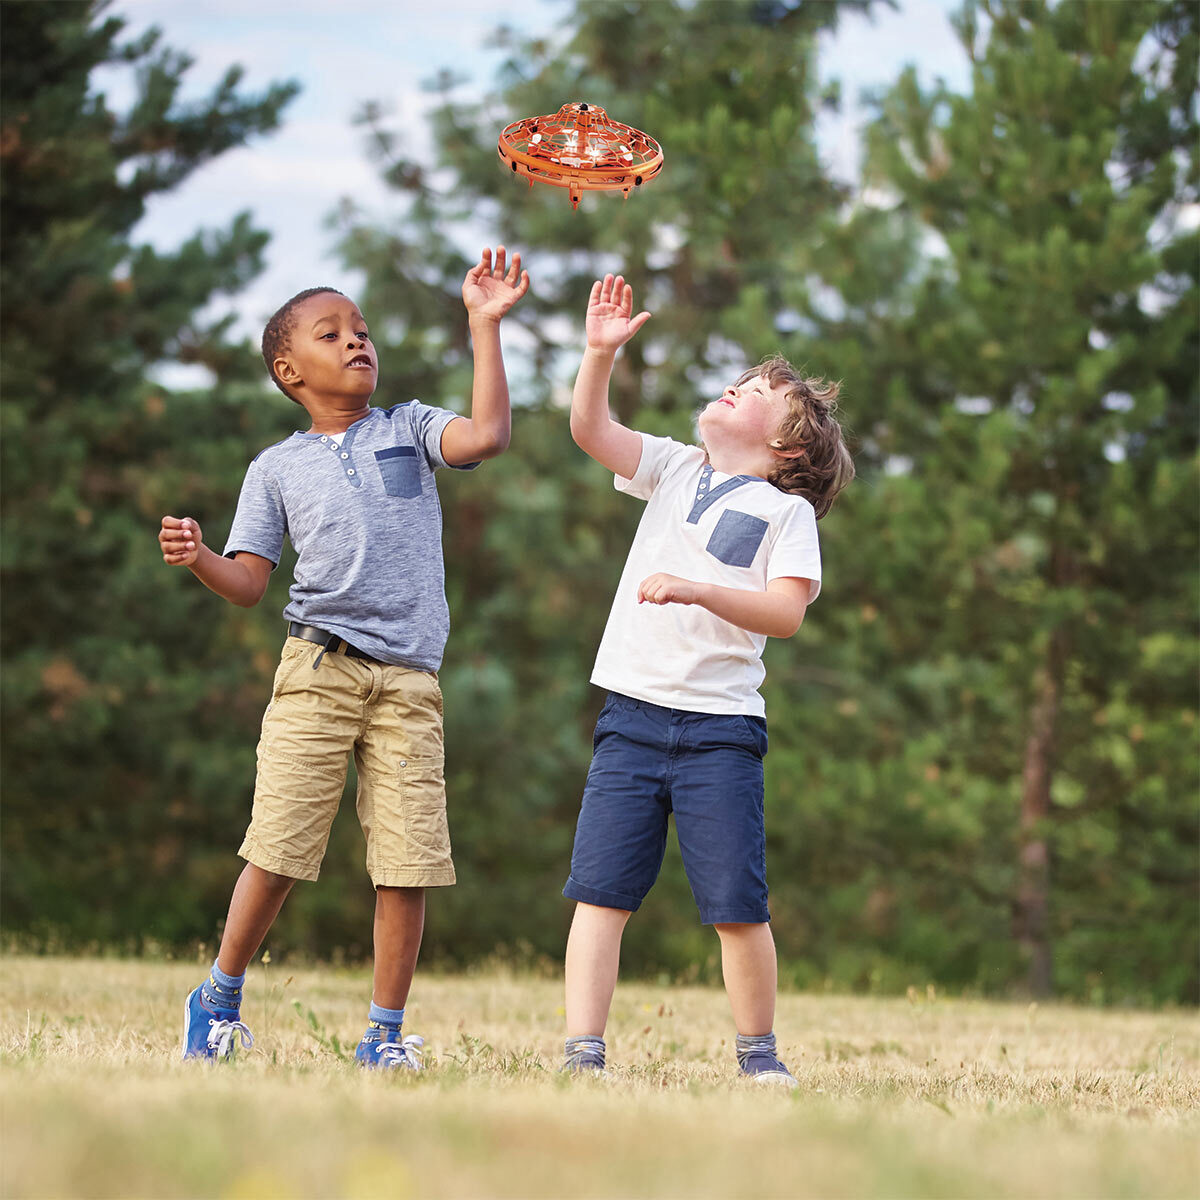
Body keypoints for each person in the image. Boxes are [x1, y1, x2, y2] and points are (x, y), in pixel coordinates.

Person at [160, 247, 529, 1068]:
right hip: (318, 672)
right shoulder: (276, 467)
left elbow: (490, 434)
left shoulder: (411, 428)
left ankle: (383, 1037)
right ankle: (218, 998)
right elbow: (250, 581)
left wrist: (484, 325)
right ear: (291, 370)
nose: (357, 341)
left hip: (408, 684)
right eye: (332, 334)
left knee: (407, 862)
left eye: (361, 330)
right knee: (280, 847)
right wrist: (199, 559)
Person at [562, 273, 853, 1085]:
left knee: (736, 906)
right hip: (631, 719)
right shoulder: (676, 467)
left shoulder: (785, 516)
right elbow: (590, 429)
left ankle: (759, 1060)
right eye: (738, 381)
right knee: (600, 895)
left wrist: (693, 588)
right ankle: (583, 1055)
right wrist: (597, 354)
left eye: (756, 391)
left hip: (720, 731)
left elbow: (784, 614)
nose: (735, 387)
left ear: (787, 448)